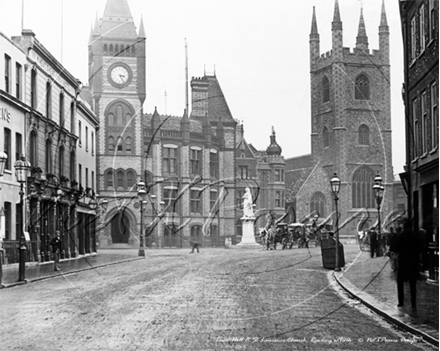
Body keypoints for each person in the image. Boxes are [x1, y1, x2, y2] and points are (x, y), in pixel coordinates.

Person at [395, 217, 420, 311]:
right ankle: (413, 303)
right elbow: (421, 247)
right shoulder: (415, 235)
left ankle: (401, 302)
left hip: (403, 263)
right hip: (413, 263)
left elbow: (394, 247)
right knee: (412, 284)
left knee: (400, 283)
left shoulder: (401, 235)